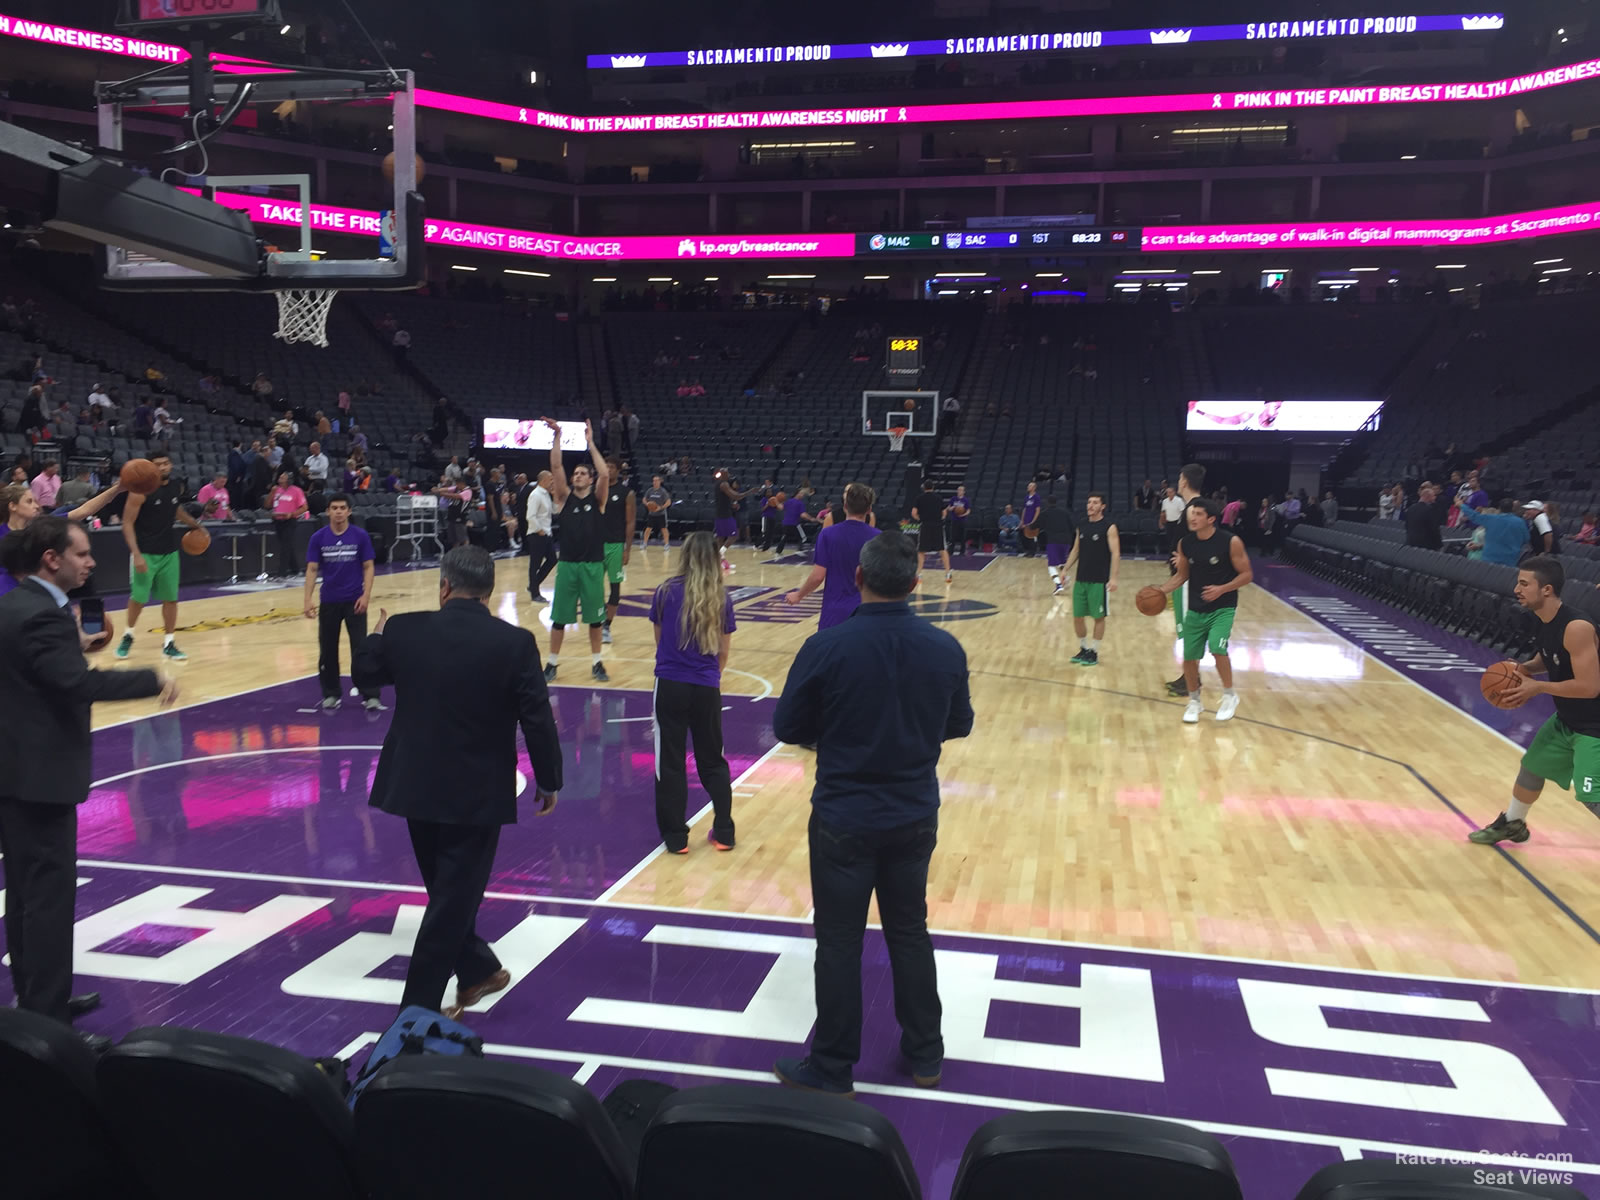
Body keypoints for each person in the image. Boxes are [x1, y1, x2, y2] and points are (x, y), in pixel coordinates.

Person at [770, 533, 973, 1096]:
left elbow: (788, 727)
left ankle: (833, 1066)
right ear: (914, 584)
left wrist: (836, 736)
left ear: (857, 579)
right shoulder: (945, 647)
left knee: (839, 941)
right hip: (913, 815)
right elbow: (959, 724)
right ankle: (926, 1054)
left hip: (844, 815)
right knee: (909, 931)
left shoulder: (827, 646)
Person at [352, 546, 562, 1017]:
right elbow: (537, 719)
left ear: (443, 586)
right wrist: (548, 780)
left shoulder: (404, 629)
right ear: (487, 592)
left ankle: (477, 972)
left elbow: (365, 674)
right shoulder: (514, 643)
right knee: (450, 900)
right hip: (476, 792)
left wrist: (378, 635)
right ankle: (418, 1014)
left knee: (448, 895)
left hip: (413, 786)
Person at [0, 517, 175, 1046]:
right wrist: (151, 678)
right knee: (47, 900)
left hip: (13, 771)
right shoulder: (44, 616)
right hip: (41, 778)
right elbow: (72, 685)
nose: (91, 561)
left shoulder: (15, 605)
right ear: (52, 559)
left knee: (26, 897)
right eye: (81, 554)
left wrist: (76, 646)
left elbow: (39, 673)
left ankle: (37, 997)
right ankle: (48, 1023)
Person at [1469, 557, 1600, 846]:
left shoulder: (1576, 627)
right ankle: (1513, 824)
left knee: (1592, 795)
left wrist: (1536, 687)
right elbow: (1550, 657)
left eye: (1524, 583)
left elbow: (1590, 687)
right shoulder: (1545, 621)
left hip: (1594, 726)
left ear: (1547, 590)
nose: (1517, 588)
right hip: (1568, 719)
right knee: (1532, 767)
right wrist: (1525, 669)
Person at [649, 533, 738, 854]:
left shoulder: (664, 593)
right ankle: (725, 832)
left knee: (669, 762)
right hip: (706, 686)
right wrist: (709, 677)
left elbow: (660, 642)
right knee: (713, 759)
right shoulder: (722, 598)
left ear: (684, 556)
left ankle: (676, 838)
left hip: (670, 684)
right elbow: (724, 653)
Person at [1157, 498, 1252, 724]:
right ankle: (1194, 701)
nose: (1193, 517)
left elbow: (1246, 575)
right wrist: (1160, 591)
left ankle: (1229, 695)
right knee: (1189, 658)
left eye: (1198, 514)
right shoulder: (1185, 543)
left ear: (1211, 519)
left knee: (1218, 648)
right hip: (1196, 608)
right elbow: (1182, 576)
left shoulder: (1231, 542)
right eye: (1192, 513)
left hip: (1223, 607)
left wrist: (1222, 589)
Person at [115, 451, 203, 662]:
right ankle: (128, 635)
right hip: (145, 552)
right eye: (158, 464)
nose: (163, 467)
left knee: (171, 599)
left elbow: (176, 510)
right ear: (150, 468)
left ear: (170, 465)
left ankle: (169, 643)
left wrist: (195, 525)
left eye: (166, 463)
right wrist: (136, 555)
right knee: (139, 599)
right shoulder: (140, 491)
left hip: (169, 552)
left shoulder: (175, 486)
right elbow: (126, 523)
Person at [542, 418, 610, 683]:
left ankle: (596, 663)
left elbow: (605, 473)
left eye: (583, 473)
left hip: (593, 565)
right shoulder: (563, 498)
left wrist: (590, 442)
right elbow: (555, 465)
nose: (578, 476)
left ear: (590, 479)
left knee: (595, 621)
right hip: (568, 565)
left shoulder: (599, 499)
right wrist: (557, 435)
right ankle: (552, 663)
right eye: (576, 473)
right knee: (559, 619)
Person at [305, 495, 380, 712]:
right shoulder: (318, 538)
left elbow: (368, 566)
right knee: (327, 650)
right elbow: (311, 569)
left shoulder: (360, 536)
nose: (338, 511)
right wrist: (307, 599)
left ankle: (370, 695)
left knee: (361, 649)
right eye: (334, 508)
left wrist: (366, 596)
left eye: (342, 508)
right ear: (328, 511)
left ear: (349, 511)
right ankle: (331, 694)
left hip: (355, 600)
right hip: (329, 601)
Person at [786, 482, 879, 630]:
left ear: (845, 506)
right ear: (869, 509)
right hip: (867, 610)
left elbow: (818, 576)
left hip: (835, 610)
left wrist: (799, 595)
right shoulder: (878, 537)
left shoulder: (828, 535)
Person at [1163, 464, 1206, 698]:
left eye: (1180, 478)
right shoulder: (1194, 507)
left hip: (1188, 581)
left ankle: (1192, 680)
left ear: (1184, 482)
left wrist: (1186, 557)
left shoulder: (1194, 509)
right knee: (1186, 630)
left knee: (1189, 630)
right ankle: (1190, 676)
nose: (1178, 481)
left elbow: (1205, 543)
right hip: (1184, 580)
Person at [1062, 493, 1120, 666]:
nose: (1091, 505)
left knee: (1098, 617)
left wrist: (1114, 578)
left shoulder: (1109, 527)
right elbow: (1075, 550)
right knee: (1078, 617)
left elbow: (1116, 553)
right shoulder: (1082, 525)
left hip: (1099, 580)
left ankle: (1094, 651)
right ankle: (1083, 649)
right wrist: (1065, 568)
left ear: (1103, 506)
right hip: (1081, 579)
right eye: (1089, 502)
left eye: (1095, 502)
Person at [600, 455, 636, 646]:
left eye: (611, 466)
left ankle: (607, 625)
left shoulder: (626, 493)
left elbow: (630, 522)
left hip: (615, 544)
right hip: (596, 545)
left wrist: (627, 549)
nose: (608, 469)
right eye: (605, 466)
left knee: (615, 587)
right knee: (594, 587)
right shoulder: (596, 490)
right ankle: (597, 622)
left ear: (618, 470)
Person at [1458, 497, 1528, 566]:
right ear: (1512, 508)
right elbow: (1526, 539)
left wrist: (1461, 505)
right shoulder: (1520, 522)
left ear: (1499, 508)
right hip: (1509, 560)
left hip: (1489, 559)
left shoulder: (1490, 519)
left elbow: (1474, 515)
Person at [267, 470, 310, 578]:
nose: (279, 479)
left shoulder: (296, 491)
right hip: (277, 520)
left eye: (282, 477)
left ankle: (282, 573)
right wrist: (271, 493)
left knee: (285, 547)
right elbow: (267, 505)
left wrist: (292, 514)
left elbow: (304, 508)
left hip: (290, 521)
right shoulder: (276, 490)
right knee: (286, 546)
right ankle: (296, 569)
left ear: (288, 480)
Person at [524, 469, 558, 603]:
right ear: (543, 480)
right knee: (535, 564)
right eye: (551, 479)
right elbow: (530, 516)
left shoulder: (546, 494)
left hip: (546, 533)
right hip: (537, 534)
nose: (553, 482)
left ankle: (533, 585)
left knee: (552, 560)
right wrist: (539, 530)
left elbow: (554, 511)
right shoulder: (536, 495)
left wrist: (554, 495)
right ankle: (535, 594)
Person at [910, 479, 951, 584]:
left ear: (924, 488)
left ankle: (918, 575)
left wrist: (920, 519)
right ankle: (947, 573)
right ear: (933, 487)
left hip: (925, 525)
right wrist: (941, 518)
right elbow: (944, 512)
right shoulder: (938, 498)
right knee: (942, 549)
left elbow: (913, 513)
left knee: (921, 551)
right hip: (937, 525)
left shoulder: (919, 498)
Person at [1040, 496, 1078, 596]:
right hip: (1066, 540)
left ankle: (1058, 585)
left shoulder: (1045, 513)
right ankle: (1065, 578)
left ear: (1047, 503)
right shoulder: (1065, 512)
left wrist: (1030, 526)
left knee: (1051, 565)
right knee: (1062, 562)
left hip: (1053, 541)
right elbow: (1072, 527)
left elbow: (1036, 525)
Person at [712, 469, 748, 572]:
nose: (729, 475)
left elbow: (723, 499)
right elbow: (736, 496)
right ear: (723, 474)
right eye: (727, 473)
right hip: (725, 515)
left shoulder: (719, 484)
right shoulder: (724, 484)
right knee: (734, 535)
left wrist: (731, 505)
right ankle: (719, 554)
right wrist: (749, 492)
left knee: (721, 538)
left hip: (720, 514)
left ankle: (720, 562)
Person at [1404, 482, 1447, 549]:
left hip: (1410, 543)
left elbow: (1407, 526)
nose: (1435, 498)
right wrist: (1439, 544)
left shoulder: (1410, 508)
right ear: (1428, 497)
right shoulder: (1430, 510)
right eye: (1433, 496)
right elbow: (1434, 529)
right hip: (1426, 545)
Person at [640, 474, 673, 554]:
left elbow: (668, 502)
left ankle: (666, 545)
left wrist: (660, 507)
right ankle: (644, 544)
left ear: (660, 481)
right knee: (648, 529)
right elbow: (644, 499)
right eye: (654, 480)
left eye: (657, 480)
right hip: (651, 514)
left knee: (664, 529)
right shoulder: (650, 490)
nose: (655, 482)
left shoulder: (663, 491)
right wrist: (647, 504)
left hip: (661, 514)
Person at [1020, 481, 1043, 557]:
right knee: (1026, 536)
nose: (1028, 487)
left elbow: (1038, 510)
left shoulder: (1037, 497)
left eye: (1030, 486)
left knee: (1033, 536)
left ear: (1034, 488)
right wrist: (1022, 520)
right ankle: (1028, 551)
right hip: (1026, 519)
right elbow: (1024, 509)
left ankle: (1032, 552)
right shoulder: (1026, 497)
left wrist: (1034, 520)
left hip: (1033, 520)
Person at [947, 486, 971, 555]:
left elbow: (968, 510)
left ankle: (962, 551)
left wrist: (963, 514)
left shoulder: (966, 500)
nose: (959, 491)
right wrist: (952, 508)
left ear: (964, 492)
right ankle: (951, 551)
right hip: (954, 520)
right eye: (958, 490)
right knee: (952, 536)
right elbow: (949, 508)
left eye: (961, 490)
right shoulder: (953, 499)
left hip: (962, 520)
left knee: (962, 536)